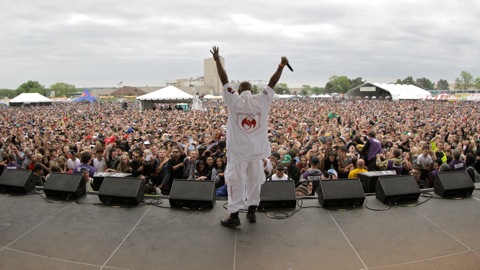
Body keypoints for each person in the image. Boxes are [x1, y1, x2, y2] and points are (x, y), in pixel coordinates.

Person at [210, 46, 288, 227]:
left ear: (237, 90)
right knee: (254, 181)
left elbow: (224, 79)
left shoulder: (233, 100)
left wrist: (217, 60)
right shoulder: (262, 100)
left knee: (235, 182)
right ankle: (252, 211)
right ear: (251, 90)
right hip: (257, 151)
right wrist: (281, 66)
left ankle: (234, 215)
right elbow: (272, 83)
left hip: (238, 152)